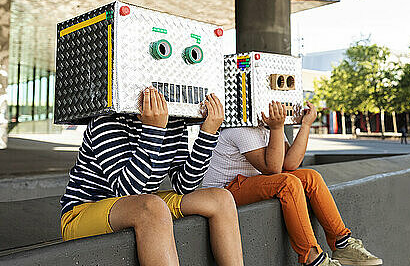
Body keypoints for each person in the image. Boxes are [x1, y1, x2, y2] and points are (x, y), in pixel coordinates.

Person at [59, 87, 244, 266]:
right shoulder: (106, 119)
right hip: (82, 212)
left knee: (221, 198)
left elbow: (185, 185)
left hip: (141, 203)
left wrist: (208, 133)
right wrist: (154, 131)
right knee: (152, 207)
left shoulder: (175, 121)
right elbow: (127, 191)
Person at [202, 101, 382, 266]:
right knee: (288, 183)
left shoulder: (266, 128)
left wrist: (306, 124)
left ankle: (342, 243)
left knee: (311, 176)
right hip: (224, 191)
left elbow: (290, 163)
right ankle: (312, 259)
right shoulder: (242, 129)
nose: (279, 107)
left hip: (249, 183)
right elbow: (272, 169)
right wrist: (278, 128)